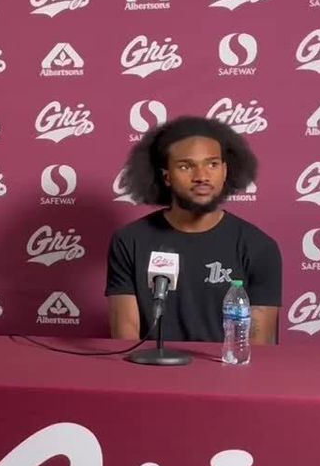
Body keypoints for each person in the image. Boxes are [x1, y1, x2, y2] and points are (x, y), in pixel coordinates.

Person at [106, 115, 281, 344]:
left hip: (227, 374)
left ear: (225, 171)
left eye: (212, 164)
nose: (201, 176)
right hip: (152, 374)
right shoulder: (129, 241)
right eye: (186, 166)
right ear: (166, 176)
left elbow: (259, 344)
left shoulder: (259, 247)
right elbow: (125, 337)